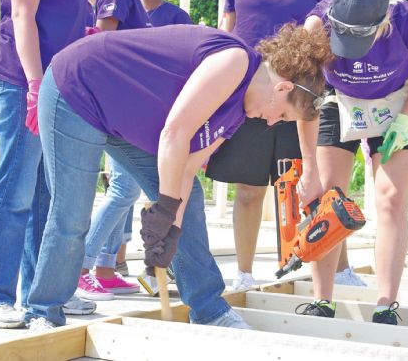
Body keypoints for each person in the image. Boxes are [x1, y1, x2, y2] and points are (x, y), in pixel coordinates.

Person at [24, 23, 332, 331]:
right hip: (77, 88)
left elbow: (185, 169)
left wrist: (169, 233)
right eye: (281, 115)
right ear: (283, 88)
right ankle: (44, 311)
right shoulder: (234, 62)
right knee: (72, 211)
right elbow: (175, 133)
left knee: (191, 195)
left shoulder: (238, 113)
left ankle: (209, 309)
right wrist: (166, 208)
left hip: (117, 115)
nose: (271, 122)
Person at [300, 0, 408, 323]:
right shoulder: (317, 23)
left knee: (391, 198)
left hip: (397, 102)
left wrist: (407, 118)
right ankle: (322, 300)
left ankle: (385, 304)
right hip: (338, 100)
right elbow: (306, 99)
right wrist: (309, 167)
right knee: (329, 197)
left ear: (384, 20)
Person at [0, 0, 93, 328]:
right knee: (14, 190)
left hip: (52, 85)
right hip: (24, 83)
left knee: (43, 194)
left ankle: (42, 296)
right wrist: (35, 85)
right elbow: (23, 15)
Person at [205, 0, 344, 291]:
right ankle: (244, 273)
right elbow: (228, 27)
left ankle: (337, 271)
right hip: (250, 91)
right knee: (249, 189)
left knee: (313, 187)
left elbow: (340, 32)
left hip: (300, 95)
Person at [75, 0, 176, 300]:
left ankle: (102, 266)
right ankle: (83, 266)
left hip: (126, 106)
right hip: (116, 108)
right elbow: (102, 44)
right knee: (126, 190)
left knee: (128, 190)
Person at [113, 0, 193, 281]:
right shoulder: (122, 6)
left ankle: (156, 263)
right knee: (121, 189)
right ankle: (110, 259)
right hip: (124, 110)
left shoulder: (176, 18)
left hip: (160, 115)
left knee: (157, 190)